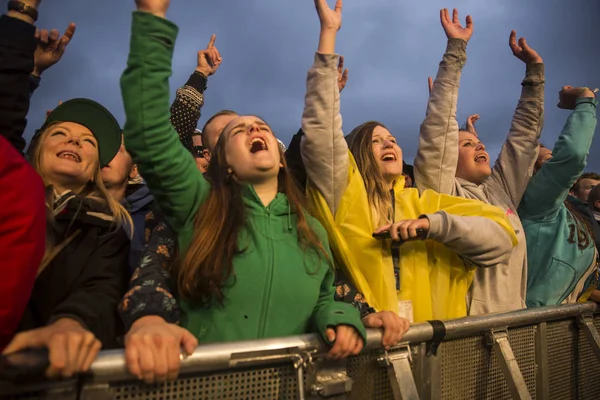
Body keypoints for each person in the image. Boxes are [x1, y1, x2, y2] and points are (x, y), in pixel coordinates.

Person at [120, 0, 366, 384]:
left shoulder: (311, 231)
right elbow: (150, 131)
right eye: (239, 131)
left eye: (262, 126)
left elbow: (325, 298)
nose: (254, 130)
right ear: (224, 164)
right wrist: (152, 18)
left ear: (284, 160)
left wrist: (343, 318)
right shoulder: (199, 207)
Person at [301, 1, 517, 323]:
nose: (389, 143)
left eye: (392, 139)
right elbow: (321, 137)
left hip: (439, 354)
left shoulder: (425, 202)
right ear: (357, 154)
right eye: (375, 140)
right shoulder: (345, 196)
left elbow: (502, 237)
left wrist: (435, 226)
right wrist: (329, 35)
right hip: (372, 346)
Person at [415, 9, 545, 315]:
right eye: (467, 144)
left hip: (518, 329)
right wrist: (455, 52)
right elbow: (439, 130)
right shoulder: (442, 191)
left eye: (479, 142)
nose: (479, 145)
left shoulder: (499, 191)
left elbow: (524, 139)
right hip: (465, 339)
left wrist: (534, 73)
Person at [3, 98, 132, 378]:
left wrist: (72, 323)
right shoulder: (6, 198)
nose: (74, 142)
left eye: (88, 141)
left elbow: (102, 289)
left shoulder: (108, 230)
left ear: (94, 170)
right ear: (36, 149)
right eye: (60, 133)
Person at [519, 87, 599, 306]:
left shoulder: (571, 208)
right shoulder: (536, 201)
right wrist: (585, 99)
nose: (554, 164)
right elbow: (572, 154)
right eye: (547, 162)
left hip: (562, 323)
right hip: (534, 326)